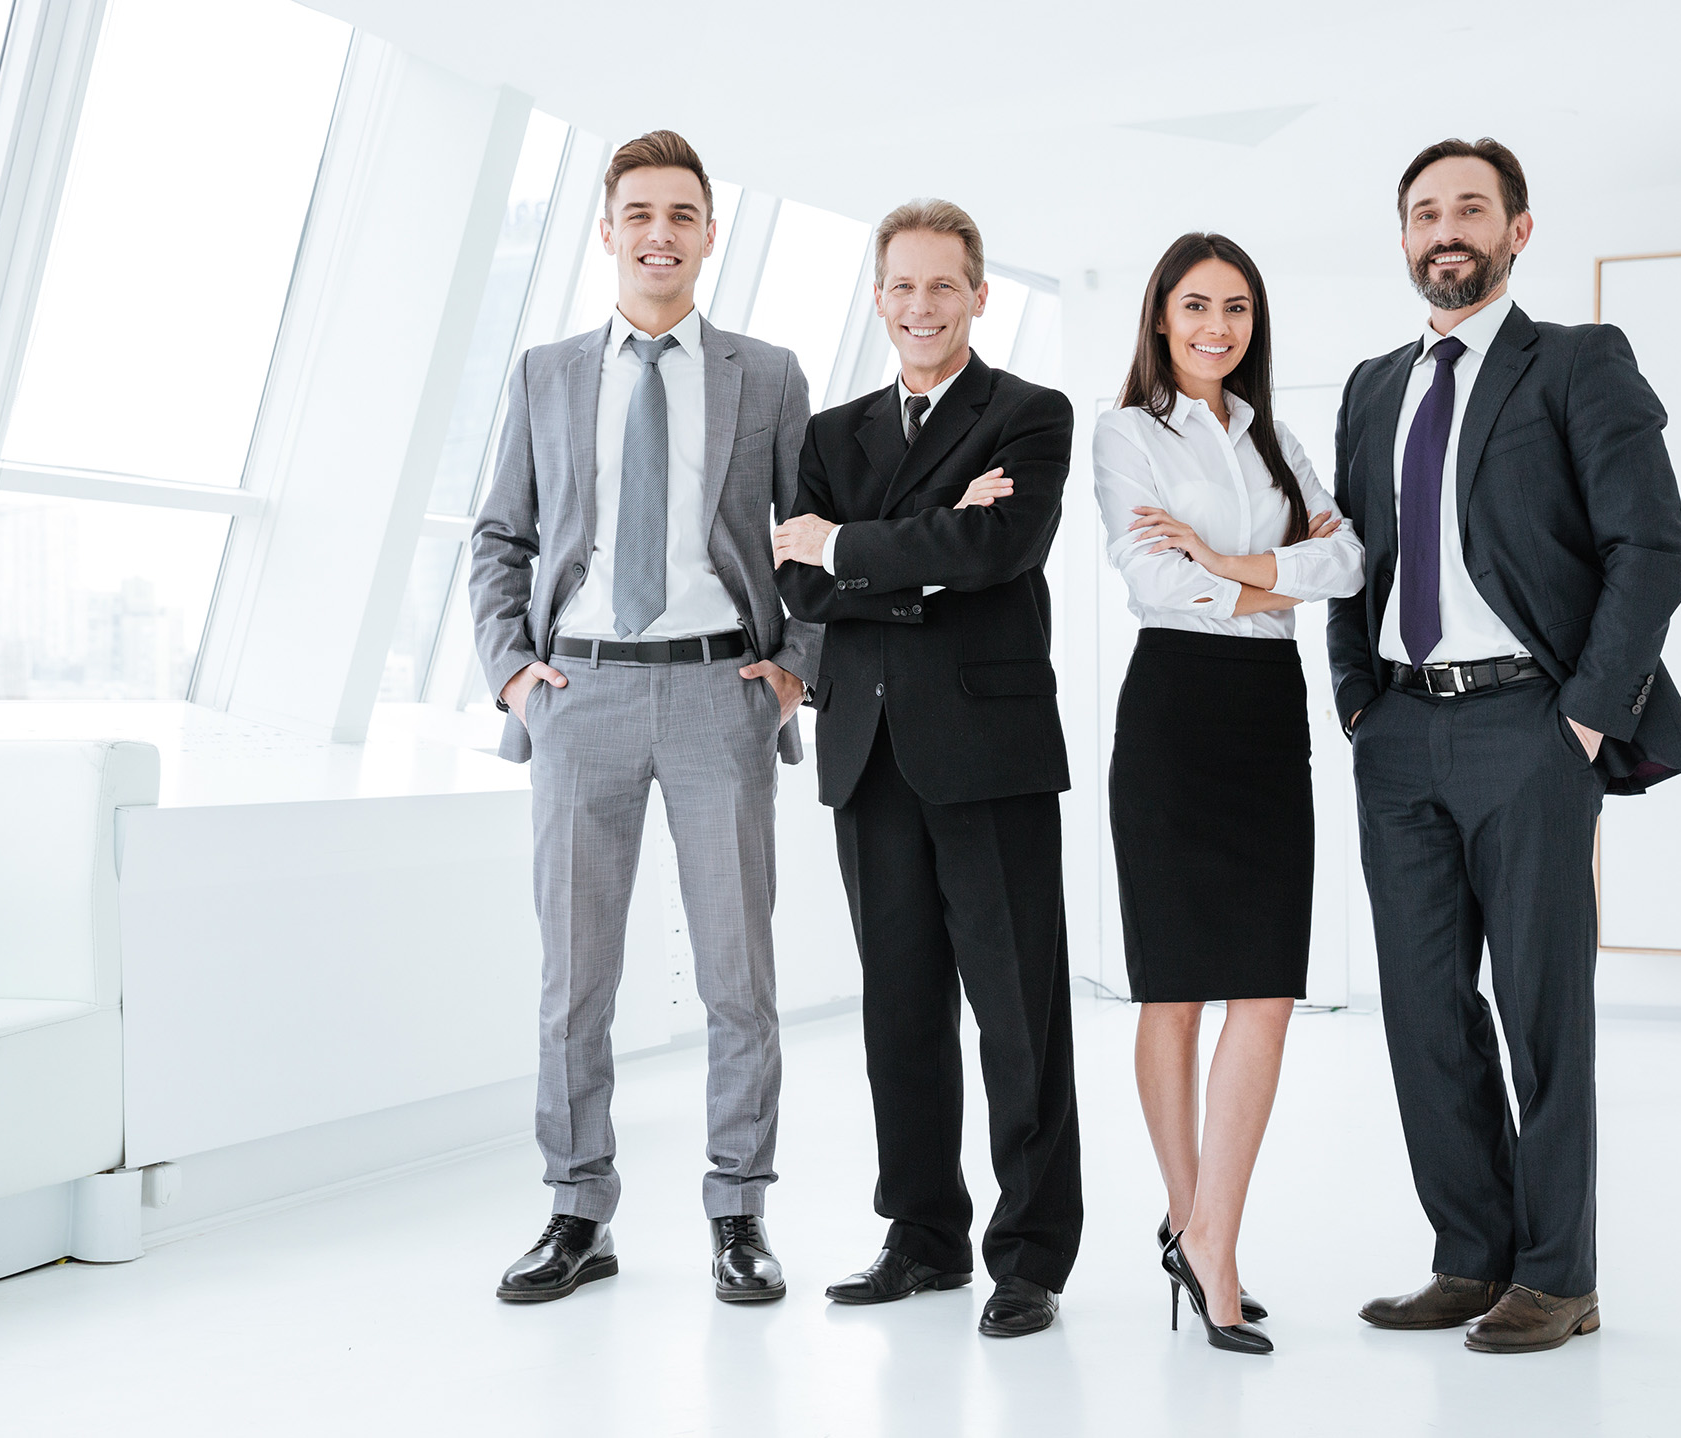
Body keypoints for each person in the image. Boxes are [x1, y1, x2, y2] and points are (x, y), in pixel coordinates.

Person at [1330, 138, 1681, 1353]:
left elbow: (1650, 551)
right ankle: (1470, 1255)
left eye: (1469, 210)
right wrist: (1353, 695)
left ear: (1518, 230)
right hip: (1398, 728)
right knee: (1421, 1012)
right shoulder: (1371, 384)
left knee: (1541, 1009)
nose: (1445, 230)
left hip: (1527, 726)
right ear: (1401, 237)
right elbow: (1352, 560)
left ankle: (1559, 1274)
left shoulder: (1577, 363)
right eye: (1424, 213)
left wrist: (1583, 718)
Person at [468, 130, 818, 1306]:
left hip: (721, 694)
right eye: (639, 213)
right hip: (583, 697)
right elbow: (500, 537)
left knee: (738, 975)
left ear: (709, 234)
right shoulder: (545, 372)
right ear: (607, 230)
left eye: (682, 213)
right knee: (576, 979)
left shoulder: (764, 375)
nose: (659, 232)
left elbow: (806, 542)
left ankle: (737, 1211)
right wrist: (514, 672)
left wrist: (791, 667)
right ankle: (577, 1211)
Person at [772, 199, 1080, 1339]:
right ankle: (923, 1237)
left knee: (1018, 1015)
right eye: (900, 285)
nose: (919, 306)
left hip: (988, 754)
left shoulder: (1029, 416)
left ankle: (1030, 1254)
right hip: (869, 751)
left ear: (979, 295)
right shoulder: (832, 432)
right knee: (898, 1011)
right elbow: (797, 588)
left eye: (941, 286)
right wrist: (930, 543)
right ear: (877, 296)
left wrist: (853, 546)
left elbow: (1001, 546)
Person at [1091, 233, 1365, 1354]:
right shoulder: (1123, 433)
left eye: (1237, 308)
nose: (1217, 327)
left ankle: (1209, 1228)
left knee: (1263, 988)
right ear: (1160, 317)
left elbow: (1346, 569)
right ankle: (1202, 1235)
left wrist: (1229, 563)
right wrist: (1261, 576)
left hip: (1266, 717)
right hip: (1172, 714)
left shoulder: (1275, 439)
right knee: (1176, 990)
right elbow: (1154, 582)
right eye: (1195, 305)